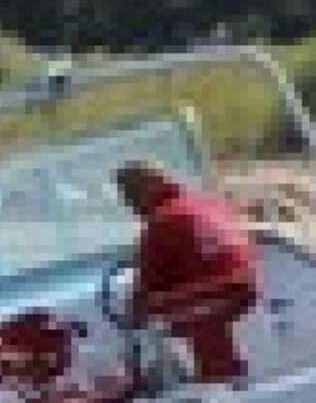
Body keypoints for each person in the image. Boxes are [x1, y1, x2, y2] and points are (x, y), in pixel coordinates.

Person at [111, 160, 261, 385]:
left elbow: (145, 288)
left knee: (152, 309)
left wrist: (131, 319)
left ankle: (220, 379)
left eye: (131, 194)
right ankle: (218, 374)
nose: (131, 205)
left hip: (220, 290)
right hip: (245, 279)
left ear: (148, 188)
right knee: (180, 306)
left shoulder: (160, 223)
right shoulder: (207, 203)